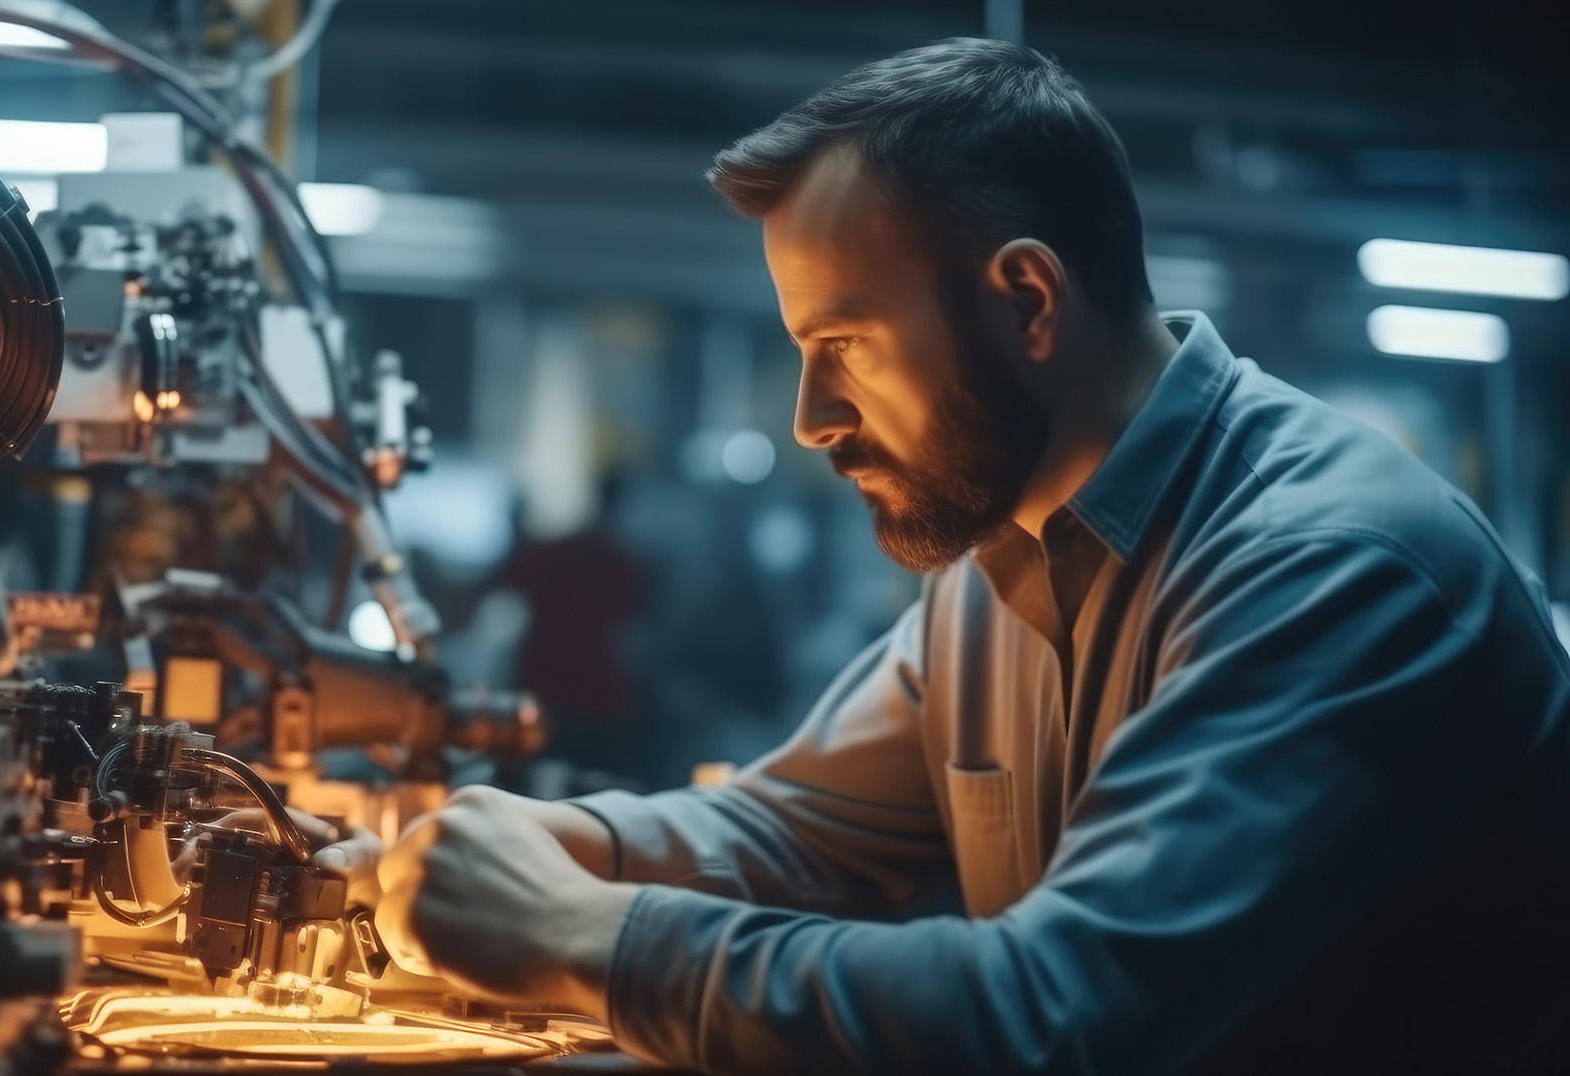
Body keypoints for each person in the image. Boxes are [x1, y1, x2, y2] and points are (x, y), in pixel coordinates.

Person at [310, 38, 1570, 1073]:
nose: (809, 417)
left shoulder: (1331, 565)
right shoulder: (997, 559)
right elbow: (797, 829)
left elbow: (1055, 1015)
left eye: (845, 342)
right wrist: (539, 845)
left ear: (1026, 300)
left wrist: (588, 934)